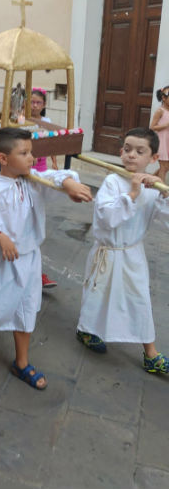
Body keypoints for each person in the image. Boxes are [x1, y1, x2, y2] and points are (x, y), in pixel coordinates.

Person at [0, 127, 92, 388]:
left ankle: (21, 362)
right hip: (2, 259)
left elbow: (55, 176)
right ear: (3, 158)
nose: (31, 158)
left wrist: (69, 184)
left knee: (26, 307)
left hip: (30, 258)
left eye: (31, 152)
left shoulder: (33, 181)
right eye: (24, 153)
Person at [77, 127, 169, 374]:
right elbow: (106, 218)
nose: (131, 155)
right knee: (97, 293)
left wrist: (162, 192)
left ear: (152, 159)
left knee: (140, 299)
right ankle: (87, 329)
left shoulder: (154, 187)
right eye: (127, 149)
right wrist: (132, 193)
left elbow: (166, 219)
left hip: (132, 254)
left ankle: (151, 353)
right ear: (120, 152)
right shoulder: (112, 181)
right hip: (107, 251)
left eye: (140, 151)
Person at [30, 88, 59, 289]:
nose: (34, 106)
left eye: (38, 103)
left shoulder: (46, 123)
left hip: (39, 172)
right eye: (31, 102)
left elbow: (51, 144)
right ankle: (33, 272)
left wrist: (54, 162)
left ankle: (36, 272)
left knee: (36, 219)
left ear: (44, 105)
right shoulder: (20, 120)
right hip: (22, 173)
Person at [150, 85, 169, 183]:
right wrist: (165, 125)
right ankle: (162, 193)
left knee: (166, 167)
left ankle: (147, 181)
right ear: (164, 98)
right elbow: (152, 127)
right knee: (163, 167)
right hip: (162, 141)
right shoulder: (160, 111)